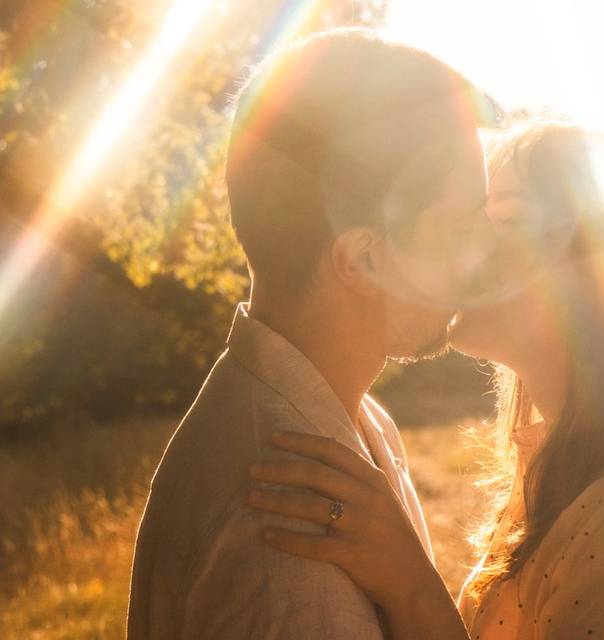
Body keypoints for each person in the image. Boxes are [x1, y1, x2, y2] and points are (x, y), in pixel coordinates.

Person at [246, 122, 604, 639]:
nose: (466, 241)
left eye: (506, 220)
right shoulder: (574, 469)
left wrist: (411, 585)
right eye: (471, 214)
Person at [126, 28, 501, 639]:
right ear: (363, 260)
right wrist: (413, 592)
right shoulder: (289, 533)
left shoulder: (349, 420)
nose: (486, 246)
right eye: (463, 222)